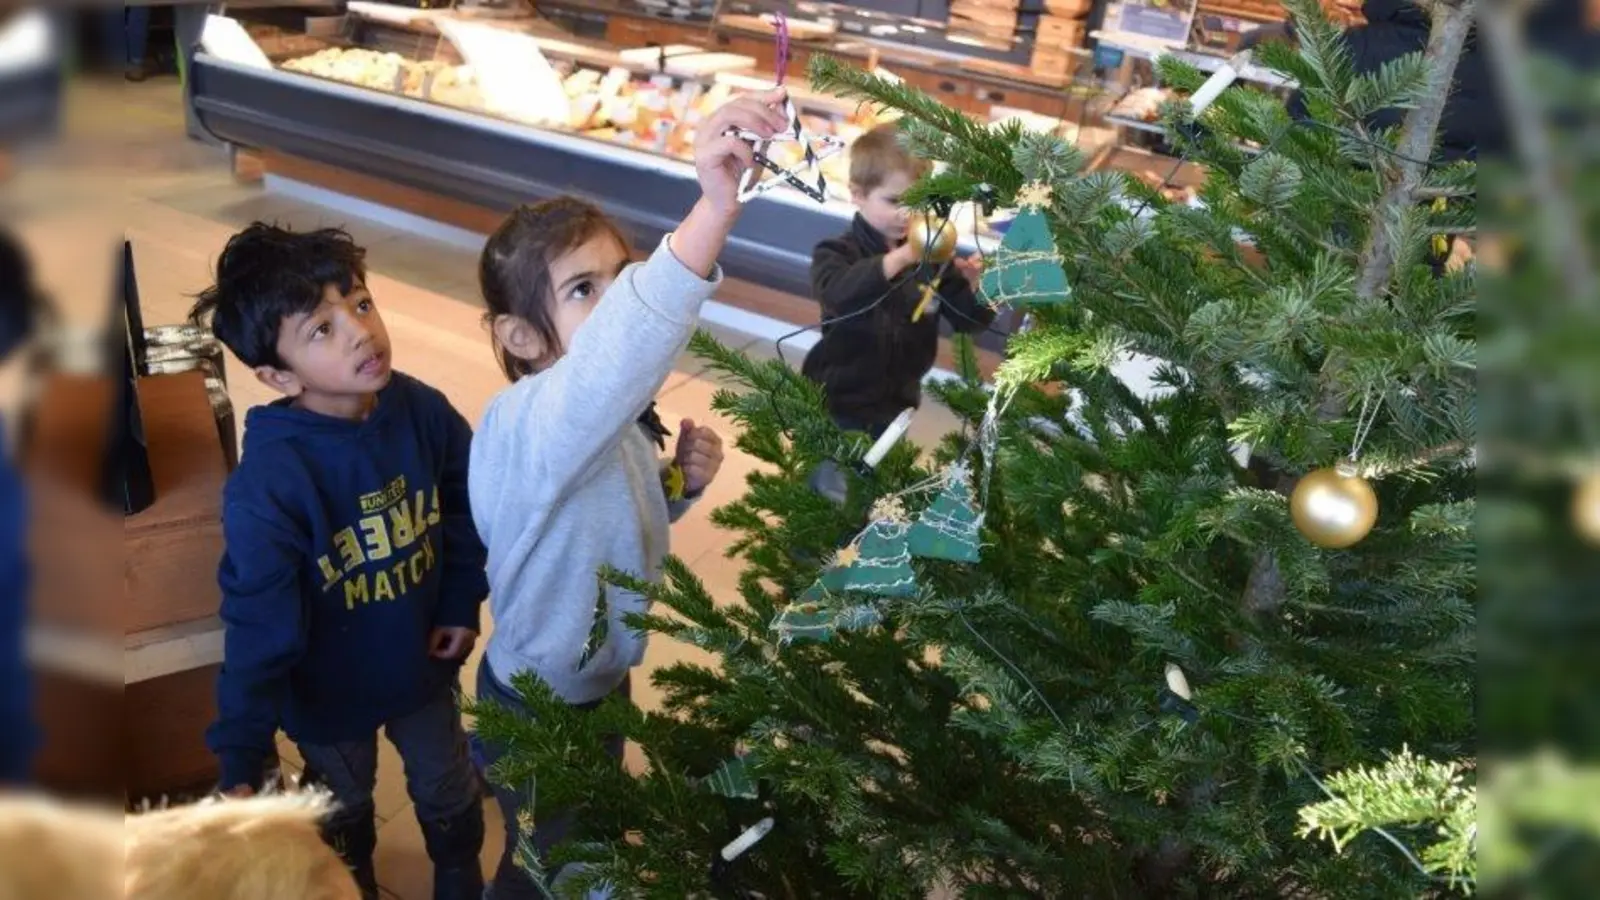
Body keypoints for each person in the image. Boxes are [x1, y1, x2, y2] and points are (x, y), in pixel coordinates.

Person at [467, 88, 787, 897]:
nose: (614, 304)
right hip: (538, 704)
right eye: (584, 291)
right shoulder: (530, 419)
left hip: (599, 681)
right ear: (522, 337)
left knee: (587, 833)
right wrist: (713, 209)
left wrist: (675, 487)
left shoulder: (611, 421)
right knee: (548, 866)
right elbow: (619, 353)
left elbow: (601, 517)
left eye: (625, 276)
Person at [189, 224, 490, 900]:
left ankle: (456, 869)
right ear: (276, 375)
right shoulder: (270, 483)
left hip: (422, 667)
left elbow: (471, 505)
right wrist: (241, 750)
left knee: (446, 786)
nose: (359, 331)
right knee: (341, 806)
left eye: (358, 303)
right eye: (319, 329)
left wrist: (457, 602)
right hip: (324, 699)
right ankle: (349, 878)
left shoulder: (421, 410)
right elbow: (256, 625)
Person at [801, 123, 993, 440]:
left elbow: (969, 322)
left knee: (876, 487)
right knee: (825, 484)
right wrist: (901, 258)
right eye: (894, 201)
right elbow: (838, 294)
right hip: (835, 401)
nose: (908, 213)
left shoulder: (932, 257)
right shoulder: (837, 251)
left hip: (897, 407)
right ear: (857, 194)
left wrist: (978, 288)